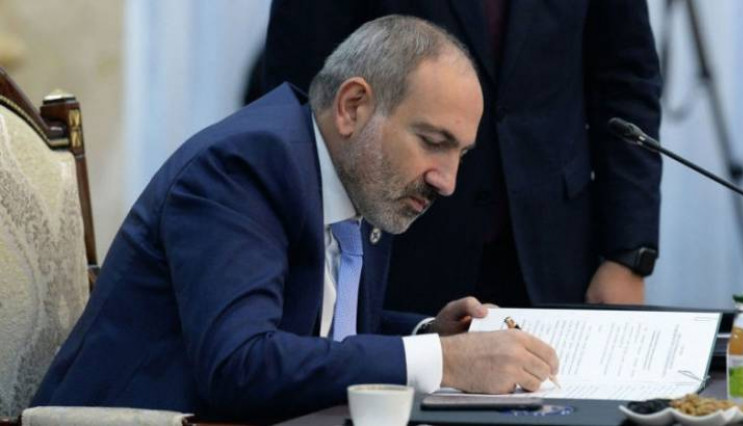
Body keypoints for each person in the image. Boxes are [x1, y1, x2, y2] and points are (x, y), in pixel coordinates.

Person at [32, 16, 559, 424]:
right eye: (433, 141)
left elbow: (326, 335)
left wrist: (430, 333)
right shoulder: (242, 169)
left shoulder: (360, 173)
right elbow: (240, 364)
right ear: (353, 106)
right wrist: (444, 361)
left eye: (460, 154)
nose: (447, 181)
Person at [247, 0, 663, 314]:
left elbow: (626, 83)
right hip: (388, 248)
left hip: (551, 253)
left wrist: (628, 255)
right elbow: (304, 89)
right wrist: (304, 249)